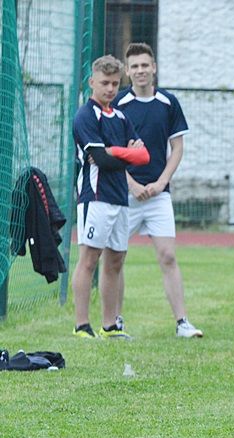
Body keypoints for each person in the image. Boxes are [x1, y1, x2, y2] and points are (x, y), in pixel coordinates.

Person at [111, 43, 203, 338]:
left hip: (158, 195)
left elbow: (177, 148)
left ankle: (182, 323)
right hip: (125, 195)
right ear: (128, 71)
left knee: (167, 256)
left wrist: (161, 183)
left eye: (145, 65)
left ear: (154, 68)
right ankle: (114, 322)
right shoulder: (118, 103)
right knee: (115, 258)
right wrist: (132, 184)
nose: (140, 70)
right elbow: (111, 151)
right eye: (134, 66)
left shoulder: (168, 102)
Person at [71, 55, 149, 338]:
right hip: (96, 197)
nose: (110, 89)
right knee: (89, 259)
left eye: (115, 83)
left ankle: (109, 325)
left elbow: (143, 155)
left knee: (115, 260)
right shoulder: (85, 116)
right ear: (92, 82)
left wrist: (114, 152)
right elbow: (100, 161)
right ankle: (81, 325)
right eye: (105, 83)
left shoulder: (121, 117)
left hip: (119, 197)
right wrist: (123, 153)